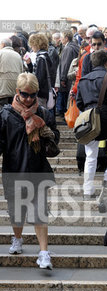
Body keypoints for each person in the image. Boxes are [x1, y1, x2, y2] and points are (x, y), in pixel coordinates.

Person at [0, 72, 60, 269]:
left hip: (37, 168)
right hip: (14, 169)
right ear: (17, 92)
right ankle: (17, 238)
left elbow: (55, 139)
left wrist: (49, 136)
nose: (28, 99)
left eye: (33, 95)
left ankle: (44, 253)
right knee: (17, 211)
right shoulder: (5, 114)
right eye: (25, 94)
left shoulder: (43, 114)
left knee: (39, 211)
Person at [76, 50, 107, 200]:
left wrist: (87, 111)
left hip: (88, 118)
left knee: (91, 155)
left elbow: (79, 102)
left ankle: (87, 190)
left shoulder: (83, 80)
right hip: (105, 117)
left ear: (92, 63)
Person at [25, 33, 53, 108]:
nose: (31, 47)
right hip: (44, 91)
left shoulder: (41, 58)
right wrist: (29, 64)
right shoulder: (45, 56)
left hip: (40, 92)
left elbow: (38, 78)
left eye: (32, 44)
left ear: (37, 44)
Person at [0, 38, 23, 109]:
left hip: (2, 91)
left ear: (3, 44)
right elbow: (21, 72)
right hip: (14, 91)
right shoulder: (18, 56)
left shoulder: (1, 53)